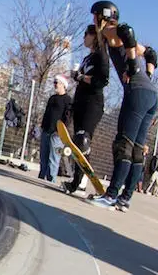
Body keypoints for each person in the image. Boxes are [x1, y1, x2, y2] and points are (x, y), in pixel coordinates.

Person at [87, 0, 157, 211]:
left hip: (136, 93)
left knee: (123, 145)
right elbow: (152, 54)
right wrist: (149, 74)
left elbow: (128, 32)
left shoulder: (111, 30)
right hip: (151, 95)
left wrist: (133, 67)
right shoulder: (117, 37)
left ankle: (111, 195)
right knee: (136, 148)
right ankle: (125, 199)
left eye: (94, 16)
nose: (93, 19)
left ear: (101, 16)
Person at [61, 24, 110, 194]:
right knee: (78, 145)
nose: (83, 38)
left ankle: (79, 182)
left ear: (94, 36)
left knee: (83, 140)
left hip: (93, 104)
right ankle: (78, 181)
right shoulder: (87, 58)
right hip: (80, 102)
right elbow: (82, 79)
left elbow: (101, 81)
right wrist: (76, 77)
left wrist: (81, 76)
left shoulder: (101, 55)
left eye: (85, 34)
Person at [38, 74, 72, 183]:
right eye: (54, 82)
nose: (55, 85)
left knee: (53, 159)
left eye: (57, 82)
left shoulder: (67, 100)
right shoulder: (52, 98)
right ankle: (41, 178)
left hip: (57, 134)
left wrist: (61, 131)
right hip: (46, 130)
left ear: (63, 85)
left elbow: (68, 117)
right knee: (43, 157)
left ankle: (51, 180)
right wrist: (42, 127)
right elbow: (47, 113)